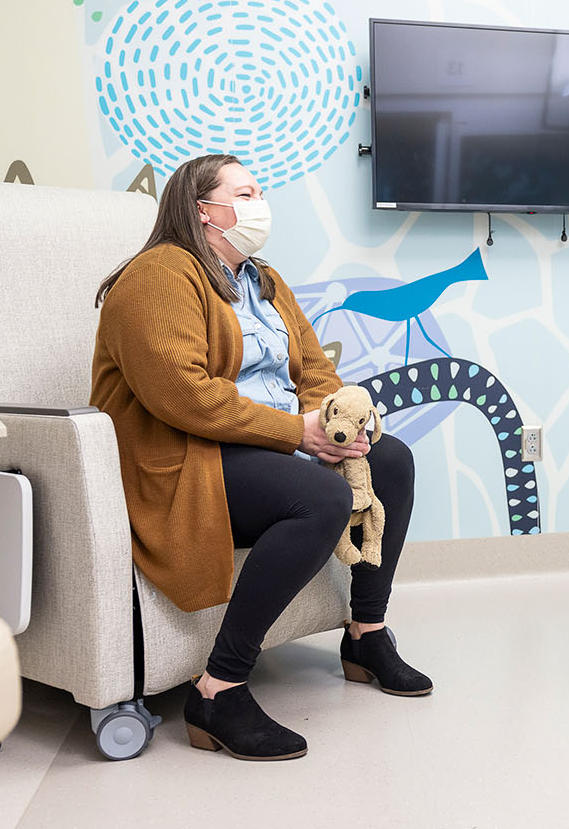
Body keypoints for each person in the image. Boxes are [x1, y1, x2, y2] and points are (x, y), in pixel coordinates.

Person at [91, 154, 429, 762]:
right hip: (193, 459)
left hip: (273, 444)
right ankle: (219, 690)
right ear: (203, 210)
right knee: (321, 496)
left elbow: (314, 370)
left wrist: (335, 424)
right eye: (245, 193)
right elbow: (184, 396)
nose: (259, 204)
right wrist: (298, 434)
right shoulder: (159, 274)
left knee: (392, 460)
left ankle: (366, 635)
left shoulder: (261, 279)